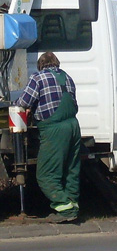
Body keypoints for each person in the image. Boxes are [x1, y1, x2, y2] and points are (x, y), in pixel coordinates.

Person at [15, 51, 81, 223]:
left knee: (45, 175)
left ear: (41, 65)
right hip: (73, 126)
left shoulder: (38, 78)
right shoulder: (67, 77)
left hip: (54, 130)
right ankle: (72, 206)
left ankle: (64, 207)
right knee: (70, 170)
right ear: (56, 63)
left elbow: (22, 102)